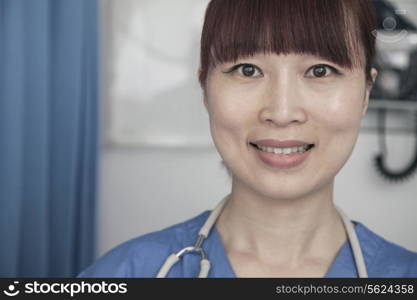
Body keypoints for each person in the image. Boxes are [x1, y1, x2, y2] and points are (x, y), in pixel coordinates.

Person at [79, 0, 417, 277]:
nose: (282, 112)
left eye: (320, 70)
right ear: (205, 89)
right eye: (247, 69)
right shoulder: (125, 274)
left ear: (366, 93)